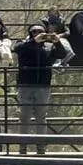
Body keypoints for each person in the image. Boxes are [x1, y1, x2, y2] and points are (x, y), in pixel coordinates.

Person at [15, 25, 59, 155]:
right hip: (25, 85)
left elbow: (61, 54)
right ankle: (23, 147)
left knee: (41, 117)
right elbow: (18, 49)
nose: (38, 33)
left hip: (43, 86)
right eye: (34, 31)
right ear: (30, 32)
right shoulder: (23, 43)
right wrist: (34, 41)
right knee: (25, 117)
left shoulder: (49, 47)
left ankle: (41, 148)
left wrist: (58, 42)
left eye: (41, 31)